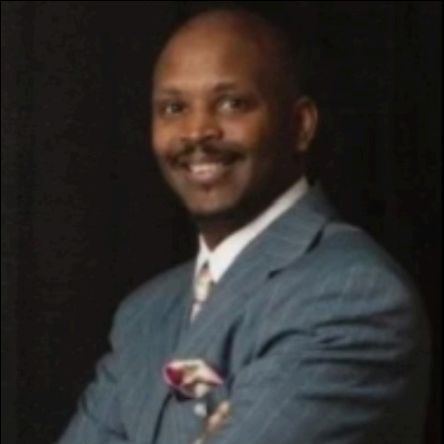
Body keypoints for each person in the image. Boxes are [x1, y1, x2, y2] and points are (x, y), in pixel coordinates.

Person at [57, 8, 430, 444]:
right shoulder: (144, 314)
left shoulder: (352, 296)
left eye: (231, 103)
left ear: (300, 126)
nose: (197, 131)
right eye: (174, 108)